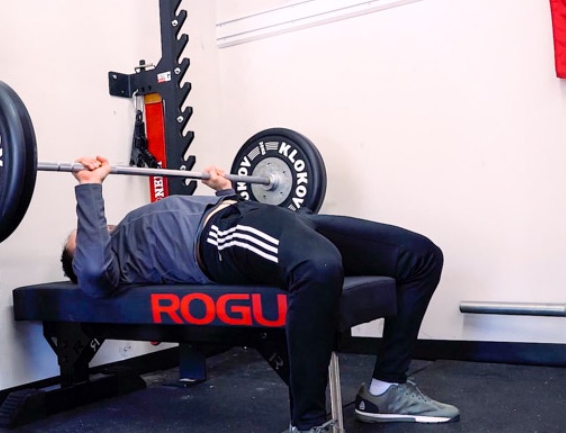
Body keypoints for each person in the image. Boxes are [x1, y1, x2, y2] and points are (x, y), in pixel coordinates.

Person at [61, 155, 459, 432]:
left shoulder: (134, 224)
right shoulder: (111, 262)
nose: (93, 229)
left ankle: (386, 390)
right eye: (82, 236)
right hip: (219, 237)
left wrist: (222, 191)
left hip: (261, 216)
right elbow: (93, 272)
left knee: (420, 256)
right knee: (318, 268)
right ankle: (307, 423)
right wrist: (90, 190)